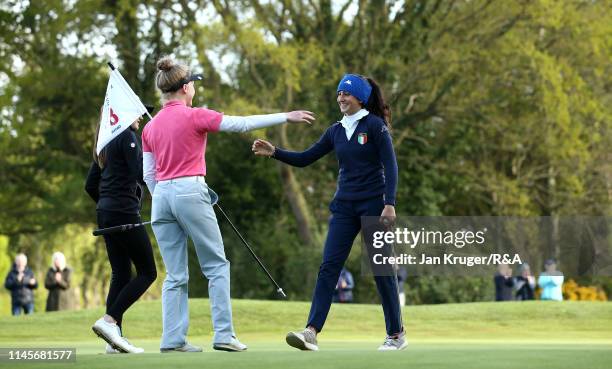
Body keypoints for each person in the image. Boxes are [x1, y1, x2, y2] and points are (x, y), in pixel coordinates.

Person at [142, 56, 315, 353]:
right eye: (193, 83)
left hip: (161, 199)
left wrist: (164, 195)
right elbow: (242, 124)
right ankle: (223, 335)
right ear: (184, 88)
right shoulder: (196, 115)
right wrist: (285, 116)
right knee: (216, 266)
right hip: (189, 190)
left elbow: (148, 174)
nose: (195, 87)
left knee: (175, 275)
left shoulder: (150, 126)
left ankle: (173, 340)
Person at [252, 73, 405, 351]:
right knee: (328, 268)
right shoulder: (335, 130)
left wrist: (390, 202)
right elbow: (305, 158)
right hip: (344, 207)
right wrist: (275, 152)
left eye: (346, 94)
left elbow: (391, 166)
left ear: (360, 98)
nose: (341, 98)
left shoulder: (375, 126)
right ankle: (311, 331)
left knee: (382, 270)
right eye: (338, 94)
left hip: (374, 205)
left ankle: (396, 334)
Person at [85, 113, 157, 354]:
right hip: (123, 213)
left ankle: (113, 342)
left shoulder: (105, 140)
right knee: (148, 271)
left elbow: (90, 185)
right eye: (137, 112)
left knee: (122, 272)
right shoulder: (127, 136)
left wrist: (106, 204)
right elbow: (141, 173)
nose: (140, 117)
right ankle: (110, 320)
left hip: (105, 213)